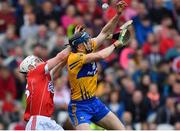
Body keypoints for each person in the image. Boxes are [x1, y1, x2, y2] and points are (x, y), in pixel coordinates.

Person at [67, 1, 129, 129]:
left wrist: (117, 15)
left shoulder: (87, 47)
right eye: (87, 40)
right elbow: (101, 56)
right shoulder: (75, 58)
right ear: (79, 46)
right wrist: (117, 44)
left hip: (94, 102)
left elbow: (104, 32)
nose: (91, 41)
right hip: (79, 107)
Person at [19, 46, 71, 130]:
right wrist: (72, 46)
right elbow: (60, 57)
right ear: (30, 68)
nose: (40, 60)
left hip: (46, 120)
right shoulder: (35, 72)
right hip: (38, 121)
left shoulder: (39, 77)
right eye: (36, 61)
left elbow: (60, 64)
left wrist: (71, 53)